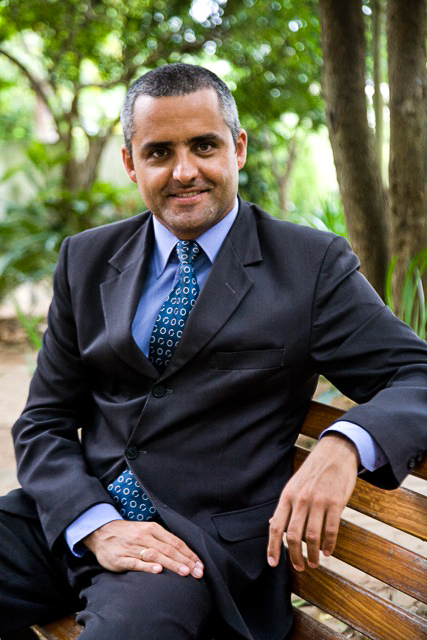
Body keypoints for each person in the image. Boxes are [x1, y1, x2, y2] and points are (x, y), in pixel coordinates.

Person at [0, 63, 426, 640]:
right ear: (130, 163)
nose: (185, 171)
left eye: (204, 145)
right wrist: (93, 523)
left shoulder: (310, 267)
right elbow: (44, 421)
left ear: (238, 148)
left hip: (189, 553)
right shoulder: (87, 258)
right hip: (72, 518)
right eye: (159, 152)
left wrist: (344, 444)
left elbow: (417, 374)